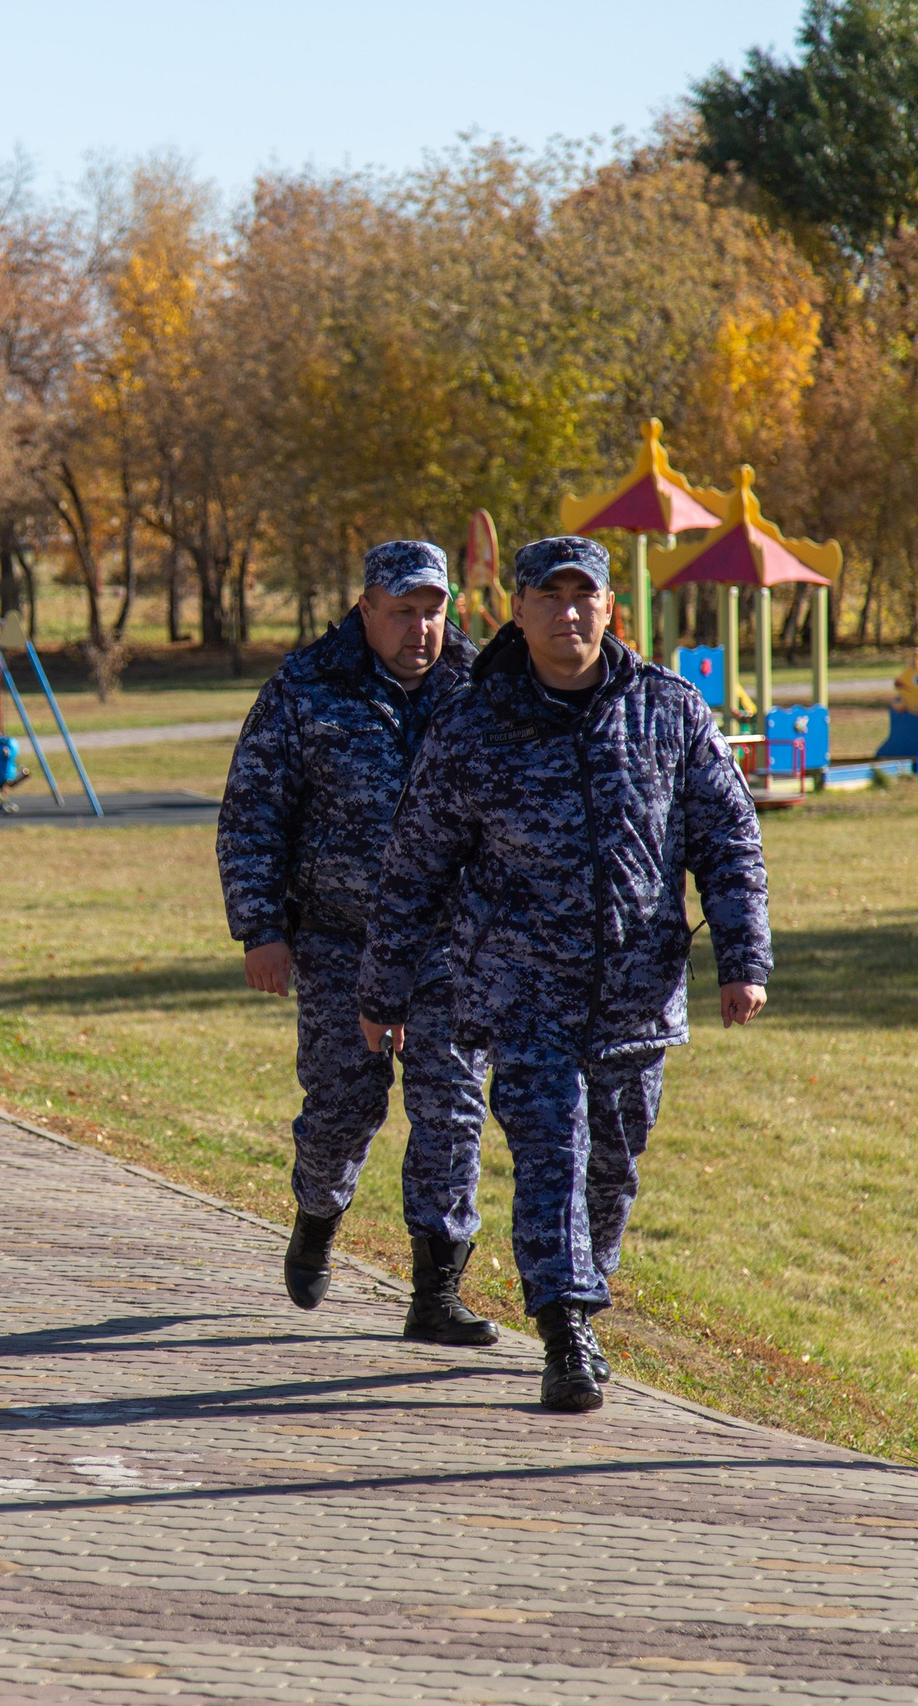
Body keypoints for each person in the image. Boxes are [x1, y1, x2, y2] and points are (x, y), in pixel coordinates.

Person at [359, 535, 771, 1413]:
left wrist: (744, 958)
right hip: (522, 992)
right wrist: (383, 987)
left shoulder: (667, 710)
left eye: (584, 597)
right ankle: (565, 1332)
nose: (568, 613)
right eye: (548, 596)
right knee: (552, 1152)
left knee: (613, 1168)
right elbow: (416, 864)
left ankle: (584, 1285)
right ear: (517, 609)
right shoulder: (475, 725)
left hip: (637, 995)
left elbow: (728, 839)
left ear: (610, 610)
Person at [217, 540, 494, 1345]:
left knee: (452, 1107)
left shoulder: (480, 693)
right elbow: (252, 815)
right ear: (365, 609)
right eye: (402, 611)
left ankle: (435, 1293)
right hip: (341, 943)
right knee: (344, 1107)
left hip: (450, 947)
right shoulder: (306, 689)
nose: (419, 628)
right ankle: (317, 1212)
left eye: (432, 611)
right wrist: (261, 930)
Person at [0, 723, 29, 814]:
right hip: (0, 774)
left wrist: (7, 754)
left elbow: (10, 756)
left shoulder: (0, 746)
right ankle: (8, 804)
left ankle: (2, 806)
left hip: (3, 775)